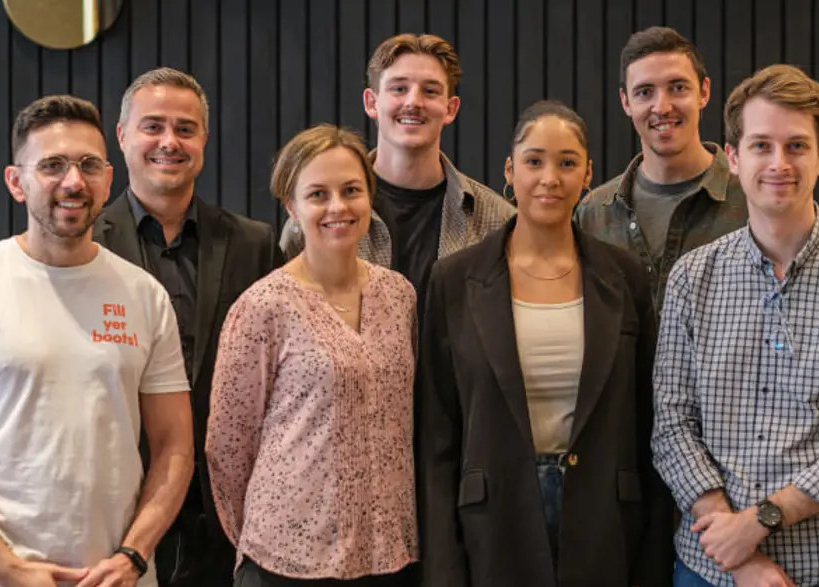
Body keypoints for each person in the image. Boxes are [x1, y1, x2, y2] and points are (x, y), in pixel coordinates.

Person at [0, 95, 193, 587]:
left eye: (88, 165)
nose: (73, 181)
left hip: (114, 577)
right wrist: (6, 567)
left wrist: (133, 555)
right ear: (16, 182)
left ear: (108, 179)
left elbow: (175, 448)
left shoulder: (144, 295)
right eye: (52, 166)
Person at [652, 65, 819, 587]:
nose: (779, 163)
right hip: (709, 569)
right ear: (733, 158)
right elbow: (672, 426)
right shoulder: (693, 278)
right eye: (761, 146)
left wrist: (756, 523)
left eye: (796, 146)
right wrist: (737, 554)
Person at [418, 100, 673, 587]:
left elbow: (649, 421)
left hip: (605, 518)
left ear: (588, 174)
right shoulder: (455, 279)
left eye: (567, 163)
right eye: (534, 161)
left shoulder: (624, 276)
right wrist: (443, 568)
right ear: (509, 171)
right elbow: (437, 439)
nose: (550, 178)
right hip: (494, 520)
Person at [94, 67, 284, 587]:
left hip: (225, 512)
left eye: (185, 129)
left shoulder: (254, 244)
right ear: (122, 136)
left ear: (204, 139)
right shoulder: (84, 245)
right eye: (152, 126)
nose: (169, 142)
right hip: (114, 501)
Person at [207, 124, 419, 586]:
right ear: (292, 206)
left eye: (351, 191)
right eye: (318, 194)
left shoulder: (399, 295)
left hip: (389, 556)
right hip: (287, 561)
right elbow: (228, 446)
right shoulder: (263, 306)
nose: (338, 207)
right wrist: (269, 526)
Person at [280, 33, 515, 315]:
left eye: (430, 91)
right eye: (399, 89)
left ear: (450, 109)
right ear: (371, 102)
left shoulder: (497, 221)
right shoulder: (320, 217)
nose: (413, 102)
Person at [575, 26, 747, 314]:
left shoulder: (750, 201)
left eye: (677, 88)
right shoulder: (594, 213)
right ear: (626, 102)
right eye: (645, 92)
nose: (662, 107)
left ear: (704, 92)